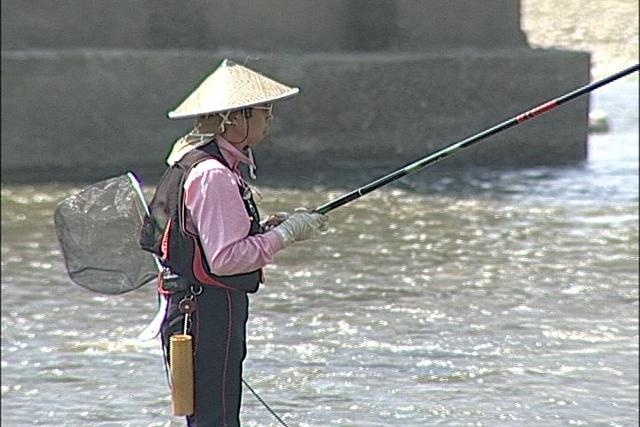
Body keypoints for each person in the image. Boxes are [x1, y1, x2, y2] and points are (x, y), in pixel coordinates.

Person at [140, 58, 328, 426]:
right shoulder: (213, 175)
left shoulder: (195, 162)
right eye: (263, 111)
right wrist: (286, 235)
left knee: (211, 415)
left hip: (195, 306)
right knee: (216, 418)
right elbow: (226, 259)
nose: (269, 119)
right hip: (207, 311)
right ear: (234, 120)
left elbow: (206, 239)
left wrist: (270, 227)